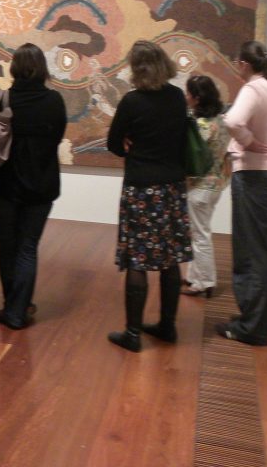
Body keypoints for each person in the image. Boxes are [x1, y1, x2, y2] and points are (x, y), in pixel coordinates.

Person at [106, 40, 191, 352]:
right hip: (171, 187)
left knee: (137, 261)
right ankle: (168, 326)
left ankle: (132, 333)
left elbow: (114, 144)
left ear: (136, 68)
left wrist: (130, 143)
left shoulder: (132, 101)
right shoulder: (177, 97)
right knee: (170, 259)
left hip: (142, 188)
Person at [216, 41, 267, 346]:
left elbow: (233, 121)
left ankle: (251, 326)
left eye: (237, 63)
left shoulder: (253, 89)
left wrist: (250, 141)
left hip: (254, 175)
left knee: (252, 252)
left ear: (245, 65)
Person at [0, 43, 67, 329]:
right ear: (42, 68)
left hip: (2, 185)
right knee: (27, 248)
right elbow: (56, 137)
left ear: (14, 67)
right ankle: (18, 309)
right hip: (40, 184)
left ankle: (13, 307)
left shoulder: (0, 98)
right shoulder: (54, 101)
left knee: (6, 248)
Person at [182, 75, 230, 298]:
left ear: (197, 98)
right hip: (216, 184)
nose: (186, 96)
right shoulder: (221, 121)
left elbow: (189, 155)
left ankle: (205, 282)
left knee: (200, 235)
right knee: (199, 231)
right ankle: (195, 276)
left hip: (200, 186)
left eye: (189, 93)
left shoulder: (201, 126)